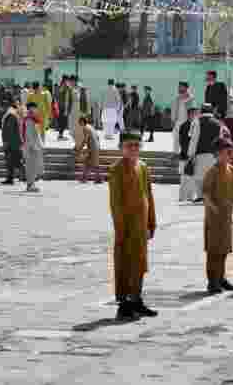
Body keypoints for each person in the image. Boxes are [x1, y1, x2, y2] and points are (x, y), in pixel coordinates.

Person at [108, 131, 157, 321]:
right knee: (125, 264)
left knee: (139, 264)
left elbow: (149, 196)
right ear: (121, 148)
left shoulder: (143, 167)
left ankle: (136, 299)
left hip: (141, 225)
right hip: (126, 226)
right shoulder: (116, 169)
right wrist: (121, 229)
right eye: (129, 146)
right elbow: (115, 203)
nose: (134, 149)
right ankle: (124, 304)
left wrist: (151, 222)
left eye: (137, 145)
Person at [203, 137, 233, 294]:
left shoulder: (231, 170)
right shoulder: (212, 171)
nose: (230, 155)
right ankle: (212, 281)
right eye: (226, 152)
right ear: (217, 154)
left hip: (226, 218)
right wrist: (214, 208)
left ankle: (221, 278)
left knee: (224, 249)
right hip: (214, 219)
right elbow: (206, 194)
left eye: (231, 152)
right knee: (213, 251)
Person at [188, 104, 225, 204]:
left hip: (200, 153)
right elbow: (221, 139)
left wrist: (191, 153)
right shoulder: (218, 123)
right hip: (214, 154)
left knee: (198, 176)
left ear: (201, 111)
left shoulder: (197, 122)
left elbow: (194, 138)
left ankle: (200, 196)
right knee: (212, 176)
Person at [177, 105, 199, 202]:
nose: (196, 116)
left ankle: (190, 196)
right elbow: (183, 142)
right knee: (184, 178)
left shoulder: (196, 126)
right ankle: (182, 197)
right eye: (194, 114)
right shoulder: (184, 126)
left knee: (192, 178)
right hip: (185, 156)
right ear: (190, 115)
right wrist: (189, 154)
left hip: (191, 155)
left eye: (196, 114)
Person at [23, 101, 45, 193]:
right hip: (31, 147)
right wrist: (34, 146)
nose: (36, 110)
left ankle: (31, 184)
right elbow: (29, 134)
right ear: (31, 108)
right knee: (31, 166)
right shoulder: (29, 119)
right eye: (35, 108)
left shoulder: (33, 118)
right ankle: (30, 185)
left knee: (33, 166)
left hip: (34, 146)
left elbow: (37, 133)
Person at [0, 100, 23, 184]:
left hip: (12, 143)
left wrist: (6, 142)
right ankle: (11, 178)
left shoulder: (10, 115)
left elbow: (8, 131)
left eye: (2, 107)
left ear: (5, 106)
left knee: (13, 161)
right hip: (13, 142)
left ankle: (23, 176)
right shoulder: (11, 114)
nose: (0, 109)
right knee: (13, 161)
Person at [77, 115, 103, 184]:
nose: (79, 123)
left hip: (93, 148)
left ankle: (88, 178)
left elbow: (85, 140)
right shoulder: (90, 126)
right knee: (89, 163)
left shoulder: (85, 128)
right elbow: (97, 137)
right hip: (95, 147)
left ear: (82, 122)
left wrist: (80, 148)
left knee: (90, 163)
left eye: (79, 122)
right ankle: (94, 178)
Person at [170, 82, 194, 153]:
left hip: (187, 123)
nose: (179, 88)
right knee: (176, 139)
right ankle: (175, 154)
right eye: (179, 86)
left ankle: (185, 154)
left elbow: (193, 112)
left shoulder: (191, 99)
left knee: (186, 141)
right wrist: (173, 121)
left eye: (181, 87)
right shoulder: (177, 98)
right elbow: (174, 110)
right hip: (177, 123)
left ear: (186, 88)